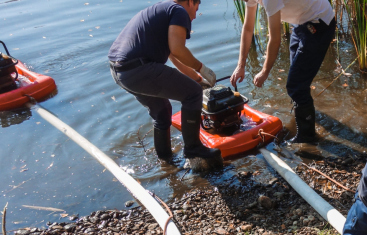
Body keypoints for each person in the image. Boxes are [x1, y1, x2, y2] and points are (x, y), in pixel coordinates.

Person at [108, 0, 222, 166]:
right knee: (193, 94)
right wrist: (202, 68)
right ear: (190, 2)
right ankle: (193, 148)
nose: (196, 15)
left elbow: (172, 54)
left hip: (120, 71)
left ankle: (166, 161)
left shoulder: (162, 9)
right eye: (196, 8)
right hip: (139, 69)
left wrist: (197, 78)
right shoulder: (179, 11)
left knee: (162, 112)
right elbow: (177, 49)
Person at [231, 0, 335, 144]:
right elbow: (248, 29)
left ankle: (307, 138)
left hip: (319, 23)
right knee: (297, 79)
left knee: (296, 84)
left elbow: (274, 39)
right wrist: (240, 65)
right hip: (301, 23)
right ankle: (302, 113)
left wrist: (264, 71)